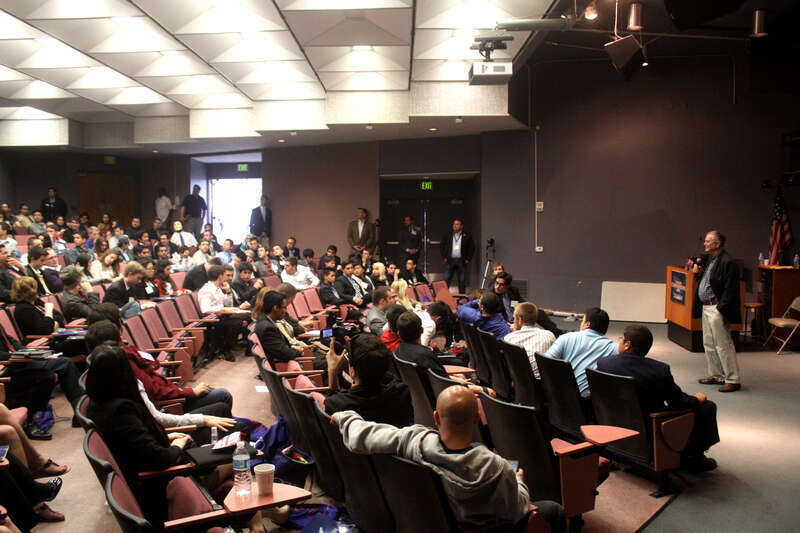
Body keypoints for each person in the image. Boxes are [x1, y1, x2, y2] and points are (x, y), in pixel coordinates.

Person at [85, 345, 276, 531]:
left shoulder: (97, 406)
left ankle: (259, 515)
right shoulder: (122, 411)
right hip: (167, 481)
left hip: (156, 471)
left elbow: (135, 444)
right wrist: (176, 445)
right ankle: (258, 520)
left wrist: (166, 437)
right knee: (239, 455)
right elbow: (159, 459)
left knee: (231, 444)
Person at [331, 385, 567, 532]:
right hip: (487, 527)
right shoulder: (495, 467)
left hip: (436, 523)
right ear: (476, 419)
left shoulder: (415, 442)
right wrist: (519, 482)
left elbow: (364, 437)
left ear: (435, 417)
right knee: (554, 510)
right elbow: (517, 510)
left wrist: (345, 418)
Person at [598, 325, 720, 472]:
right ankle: (693, 458)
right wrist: (697, 399)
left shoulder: (605, 363)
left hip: (613, 425)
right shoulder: (658, 370)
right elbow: (678, 403)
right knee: (707, 407)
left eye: (621, 339)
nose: (619, 342)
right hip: (649, 430)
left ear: (627, 345)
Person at [689, 230, 741, 392]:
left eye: (708, 241)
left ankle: (732, 379)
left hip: (717, 307)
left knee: (723, 344)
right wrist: (697, 273)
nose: (704, 243)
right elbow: (709, 282)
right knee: (709, 343)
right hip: (706, 306)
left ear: (717, 244)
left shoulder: (728, 262)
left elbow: (731, 289)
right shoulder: (712, 259)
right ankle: (717, 375)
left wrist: (720, 309)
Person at [323, 334, 413, 427]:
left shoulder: (338, 406)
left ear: (352, 371)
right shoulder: (402, 393)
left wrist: (332, 371)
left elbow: (333, 401)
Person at [545, 307, 617, 397]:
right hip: (590, 403)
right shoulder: (614, 348)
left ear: (587, 324)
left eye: (582, 321)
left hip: (560, 399)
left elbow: (545, 363)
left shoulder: (565, 338)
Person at [503, 303, 556, 379]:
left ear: (520, 320)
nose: (513, 321)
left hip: (520, 382)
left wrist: (514, 332)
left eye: (514, 318)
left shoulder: (509, 338)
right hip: (544, 383)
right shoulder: (549, 335)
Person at [253, 289, 304, 365]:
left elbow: (279, 347)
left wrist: (292, 348)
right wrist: (299, 352)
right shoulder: (268, 328)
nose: (286, 311)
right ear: (276, 308)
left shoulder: (265, 321)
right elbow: (285, 355)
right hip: (283, 367)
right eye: (284, 307)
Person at [441, 218, 475, 294]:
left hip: (461, 260)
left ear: (461, 226)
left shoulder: (467, 235)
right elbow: (442, 245)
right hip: (450, 260)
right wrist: (444, 257)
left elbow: (472, 247)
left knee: (462, 280)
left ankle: (462, 297)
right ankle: (443, 296)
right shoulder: (448, 234)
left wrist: (468, 259)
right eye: (454, 224)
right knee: (447, 279)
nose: (455, 226)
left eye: (457, 224)